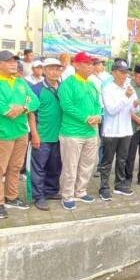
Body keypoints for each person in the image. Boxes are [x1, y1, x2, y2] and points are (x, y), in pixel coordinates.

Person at [0, 50, 39, 219]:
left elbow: (35, 101)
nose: (13, 64)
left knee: (15, 167)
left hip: (21, 131)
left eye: (15, 61)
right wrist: (24, 106)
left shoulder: (20, 81)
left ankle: (11, 197)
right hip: (2, 133)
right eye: (9, 61)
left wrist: (22, 107)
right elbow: (6, 111)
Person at [57, 52, 102, 208]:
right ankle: (67, 195)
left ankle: (81, 191)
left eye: (91, 64)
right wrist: (86, 118)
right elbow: (67, 106)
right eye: (86, 64)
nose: (90, 67)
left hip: (91, 132)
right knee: (70, 166)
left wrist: (98, 116)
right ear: (76, 65)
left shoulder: (91, 84)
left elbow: (97, 104)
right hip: (72, 133)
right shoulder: (67, 84)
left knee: (87, 165)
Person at [28, 58, 64, 210]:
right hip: (42, 135)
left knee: (55, 166)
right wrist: (34, 134)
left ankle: (51, 191)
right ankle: (38, 196)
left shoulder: (63, 87)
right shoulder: (36, 89)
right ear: (44, 70)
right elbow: (31, 113)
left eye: (57, 69)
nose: (54, 72)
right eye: (51, 69)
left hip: (60, 135)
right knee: (39, 167)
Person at [100, 59, 136, 196]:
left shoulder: (129, 87)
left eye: (126, 72)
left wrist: (136, 105)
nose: (125, 75)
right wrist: (126, 97)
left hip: (126, 129)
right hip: (111, 130)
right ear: (114, 73)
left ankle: (119, 184)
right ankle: (104, 187)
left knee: (122, 159)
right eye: (122, 72)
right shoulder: (107, 89)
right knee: (107, 160)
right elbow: (111, 110)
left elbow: (134, 109)